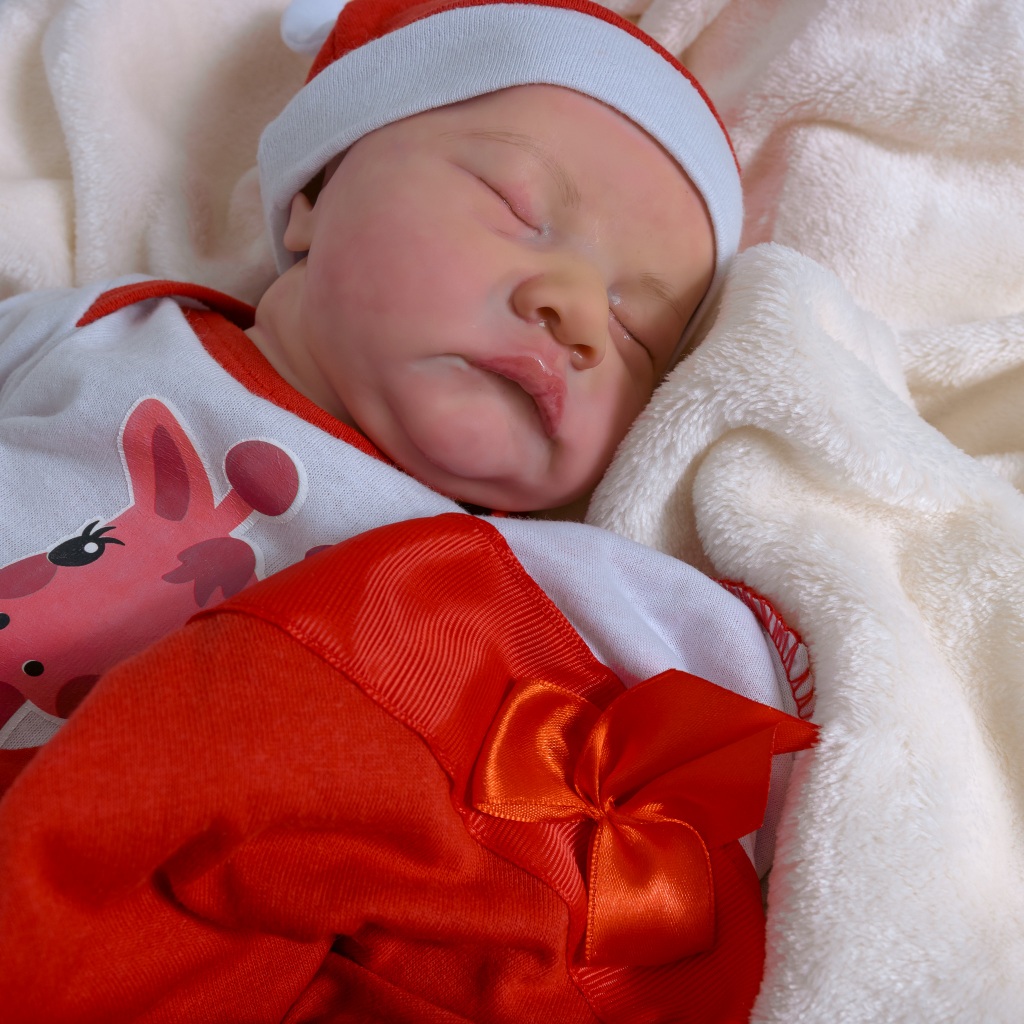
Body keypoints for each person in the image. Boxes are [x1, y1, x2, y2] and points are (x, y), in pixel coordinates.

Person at [0, 0, 816, 1019]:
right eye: (516, 207)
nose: (573, 309)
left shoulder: (480, 579)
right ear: (313, 196)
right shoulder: (104, 328)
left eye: (634, 332)